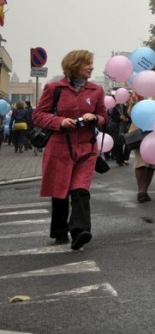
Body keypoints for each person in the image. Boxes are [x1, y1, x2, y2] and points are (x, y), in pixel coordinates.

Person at [32, 49, 107, 250]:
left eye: (92, 63)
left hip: (86, 148)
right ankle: (59, 231)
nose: (91, 67)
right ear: (74, 66)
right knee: (60, 190)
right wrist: (59, 121)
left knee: (80, 189)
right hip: (59, 148)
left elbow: (103, 116)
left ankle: (80, 231)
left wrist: (95, 118)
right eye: (87, 63)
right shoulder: (54, 88)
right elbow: (38, 115)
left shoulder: (96, 90)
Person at [127, 89, 155, 203]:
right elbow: (130, 113)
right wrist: (133, 103)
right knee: (141, 161)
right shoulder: (137, 93)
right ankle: (141, 191)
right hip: (139, 129)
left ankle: (145, 190)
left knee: (152, 162)